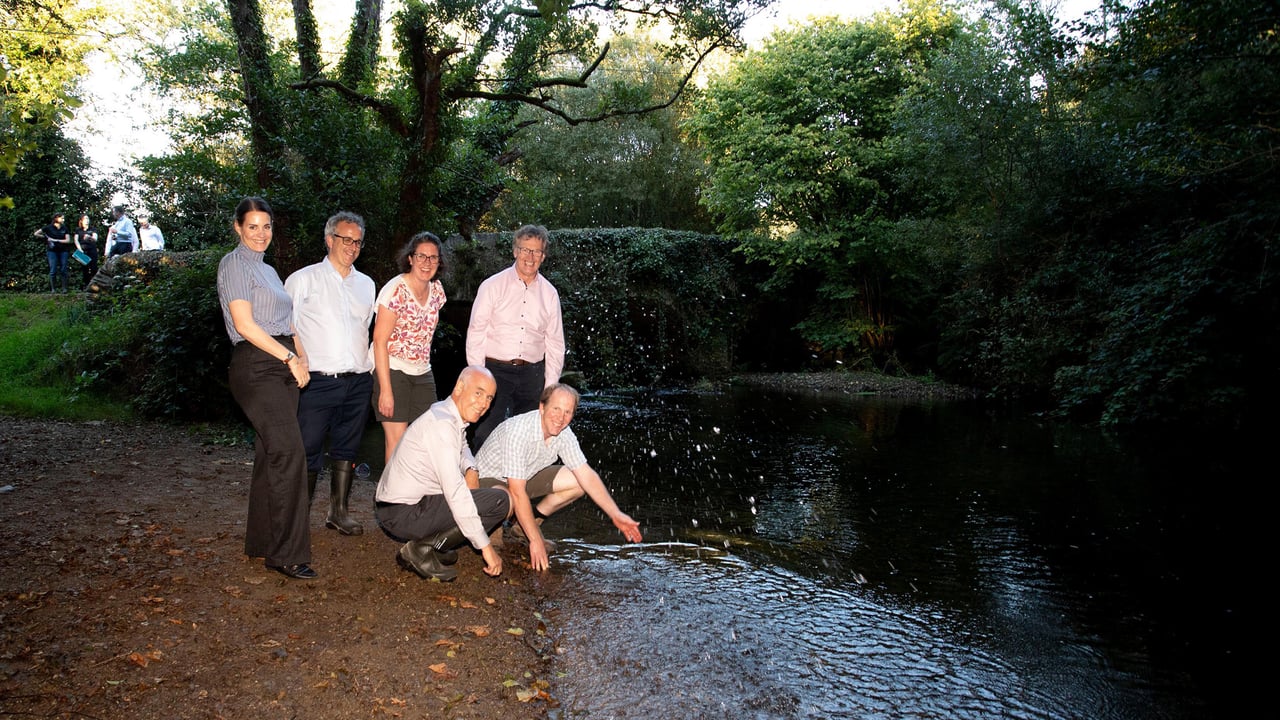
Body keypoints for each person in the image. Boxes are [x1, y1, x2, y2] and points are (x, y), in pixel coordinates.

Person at [216, 196, 317, 580]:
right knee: (290, 453)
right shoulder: (234, 264)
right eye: (252, 226)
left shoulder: (270, 272)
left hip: (282, 363)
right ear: (238, 228)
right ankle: (287, 554)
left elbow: (288, 325)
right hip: (256, 365)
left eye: (267, 226)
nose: (261, 234)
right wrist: (288, 358)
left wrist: (301, 358)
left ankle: (261, 541)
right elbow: (245, 325)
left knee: (269, 452)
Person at [476, 383, 643, 572]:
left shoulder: (564, 433)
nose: (560, 418)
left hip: (522, 478)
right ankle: (493, 530)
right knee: (508, 498)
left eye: (567, 412)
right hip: (486, 485)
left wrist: (615, 514)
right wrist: (536, 541)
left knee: (578, 482)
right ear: (542, 407)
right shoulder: (519, 431)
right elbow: (517, 492)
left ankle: (524, 527)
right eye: (556, 409)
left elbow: (587, 475)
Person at [284, 211, 376, 536]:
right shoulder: (302, 279)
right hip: (316, 381)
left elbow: (366, 329)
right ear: (329, 239)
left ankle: (338, 512)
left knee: (347, 448)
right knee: (307, 448)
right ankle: (297, 519)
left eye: (357, 241)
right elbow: (285, 324)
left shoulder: (366, 285)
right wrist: (299, 359)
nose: (352, 246)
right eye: (345, 239)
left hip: (358, 381)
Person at [374, 366, 508, 582]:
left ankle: (435, 545)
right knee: (500, 500)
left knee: (480, 496)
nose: (484, 403)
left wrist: (470, 468)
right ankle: (420, 550)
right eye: (479, 393)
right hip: (401, 513)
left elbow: (462, 445)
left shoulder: (446, 413)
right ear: (459, 387)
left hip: (398, 507)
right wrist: (486, 549)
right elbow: (455, 493)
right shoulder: (442, 426)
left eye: (490, 398)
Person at [465, 224, 565, 451]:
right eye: (525, 250)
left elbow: (555, 343)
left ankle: (521, 484)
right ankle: (479, 483)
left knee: (530, 435)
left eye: (536, 251)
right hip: (494, 370)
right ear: (515, 251)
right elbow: (476, 332)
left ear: (543, 256)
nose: (530, 257)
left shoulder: (549, 294)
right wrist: (478, 375)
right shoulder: (492, 286)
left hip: (533, 374)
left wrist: (549, 388)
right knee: (485, 432)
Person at [370, 232, 447, 465]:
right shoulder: (396, 291)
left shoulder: (437, 291)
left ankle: (416, 496)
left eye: (433, 258)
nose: (427, 263)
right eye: (421, 256)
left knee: (430, 436)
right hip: (392, 370)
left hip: (422, 371)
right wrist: (385, 389)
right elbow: (379, 341)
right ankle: (390, 501)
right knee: (397, 441)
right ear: (410, 258)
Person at [33, 212, 71, 293]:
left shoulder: (65, 228)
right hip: (52, 251)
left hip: (63, 251)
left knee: (63, 269)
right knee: (53, 270)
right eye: (62, 218)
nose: (63, 220)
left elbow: (67, 240)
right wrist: (46, 238)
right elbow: (36, 233)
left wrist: (56, 240)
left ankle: (64, 289)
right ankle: (53, 289)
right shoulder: (48, 227)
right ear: (56, 218)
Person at [71, 214, 100, 290]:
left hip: (92, 250)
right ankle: (87, 285)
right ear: (81, 221)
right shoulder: (78, 230)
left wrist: (89, 237)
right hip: (82, 251)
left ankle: (95, 285)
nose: (87, 220)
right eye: (85, 219)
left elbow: (95, 238)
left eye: (87, 218)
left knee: (94, 268)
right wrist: (80, 249)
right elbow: (76, 240)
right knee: (85, 269)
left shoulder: (93, 229)